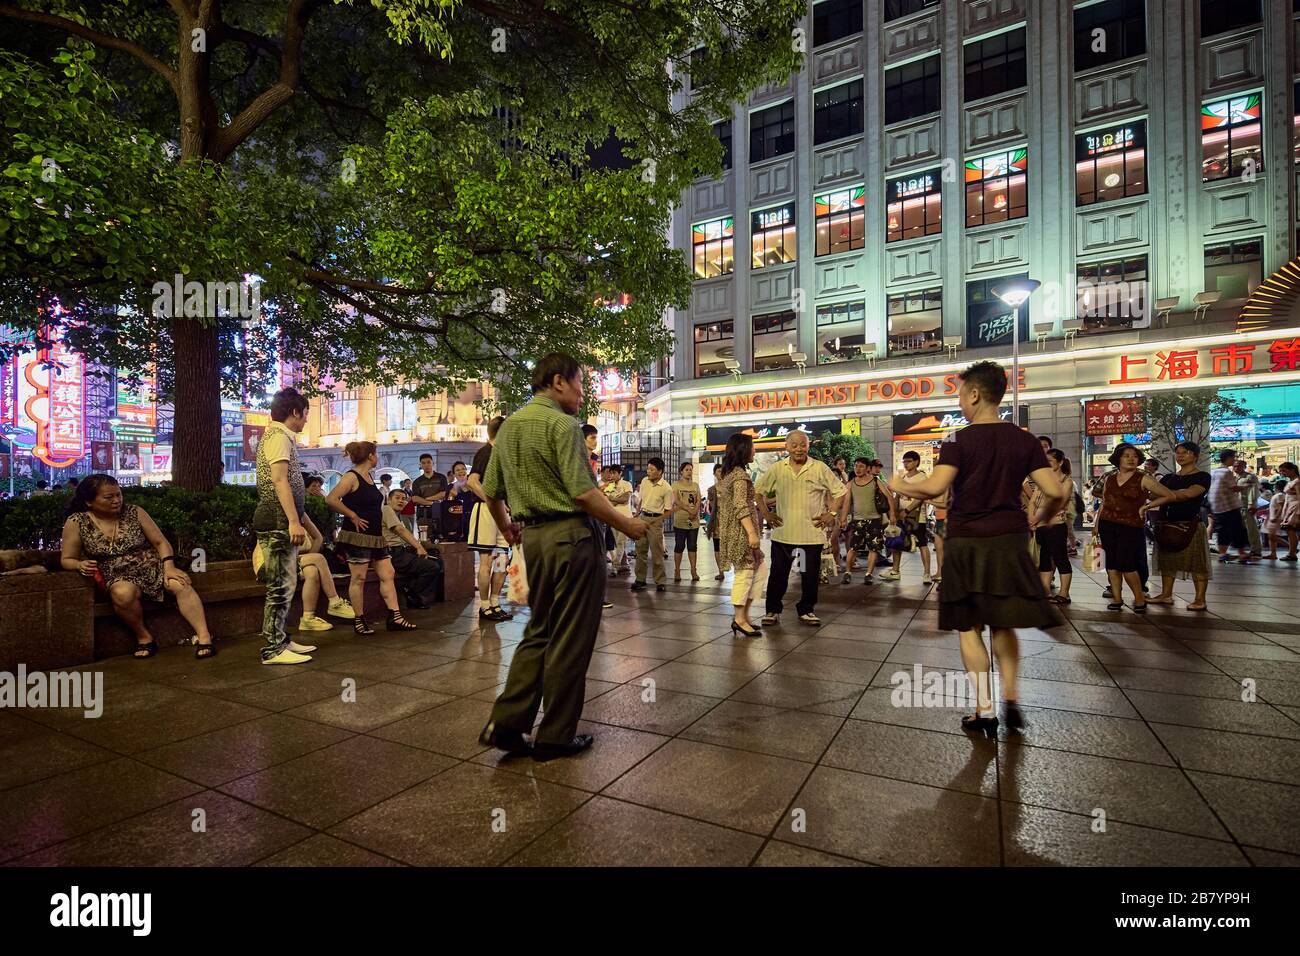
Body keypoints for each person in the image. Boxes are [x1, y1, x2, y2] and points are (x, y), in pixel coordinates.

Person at [476, 353, 647, 761]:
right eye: (579, 384)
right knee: (571, 637)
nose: (582, 393)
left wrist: (507, 529)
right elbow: (582, 492)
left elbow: (491, 491)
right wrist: (628, 526)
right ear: (557, 382)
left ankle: (507, 724)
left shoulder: (511, 426)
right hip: (571, 538)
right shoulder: (562, 424)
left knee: (539, 631)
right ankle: (555, 734)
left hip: (533, 540)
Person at [887, 361, 1065, 739]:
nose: (960, 402)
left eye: (960, 394)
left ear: (973, 394)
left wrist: (898, 484)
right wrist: (1042, 518)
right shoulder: (1025, 440)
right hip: (1009, 539)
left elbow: (935, 488)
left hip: (967, 540)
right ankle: (1012, 697)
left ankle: (984, 709)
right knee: (1003, 621)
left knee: (969, 626)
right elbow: (1053, 491)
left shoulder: (958, 440)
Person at [60, 475, 218, 659]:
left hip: (151, 566)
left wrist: (169, 567)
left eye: (118, 495)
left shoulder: (135, 512)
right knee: (123, 594)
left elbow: (161, 542)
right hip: (117, 575)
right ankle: (144, 637)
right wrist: (80, 564)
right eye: (108, 497)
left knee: (180, 584)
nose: (116, 500)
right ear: (89, 501)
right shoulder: (77, 522)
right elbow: (67, 559)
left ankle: (205, 636)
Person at [250, 387, 321, 665]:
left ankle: (281, 639)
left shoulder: (280, 437)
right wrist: (294, 520)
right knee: (281, 585)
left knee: (286, 583)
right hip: (277, 520)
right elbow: (279, 481)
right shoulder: (279, 437)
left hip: (280, 518)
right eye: (305, 414)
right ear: (295, 412)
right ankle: (273, 649)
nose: (306, 420)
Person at [325, 441, 419, 634]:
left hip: (375, 536)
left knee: (388, 573)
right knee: (358, 578)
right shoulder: (351, 477)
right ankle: (359, 619)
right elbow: (331, 499)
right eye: (376, 454)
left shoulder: (368, 476)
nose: (377, 457)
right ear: (370, 456)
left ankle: (395, 616)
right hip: (357, 536)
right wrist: (352, 515)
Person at [756, 430, 845, 626]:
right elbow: (758, 492)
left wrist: (831, 514)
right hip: (783, 535)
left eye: (803, 444)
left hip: (810, 536)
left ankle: (806, 609)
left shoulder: (819, 468)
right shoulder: (777, 468)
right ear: (786, 447)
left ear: (808, 446)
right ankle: (772, 610)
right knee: (779, 574)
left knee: (809, 575)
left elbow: (840, 492)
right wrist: (767, 514)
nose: (799, 449)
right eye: (794, 445)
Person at [1093, 443, 1176, 612]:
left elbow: (1169, 495)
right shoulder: (1109, 478)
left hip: (1130, 526)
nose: (1131, 459)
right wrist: (1096, 525)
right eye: (1126, 456)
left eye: (1134, 456)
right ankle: (1117, 599)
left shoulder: (1142, 477)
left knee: (1127, 565)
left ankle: (1139, 598)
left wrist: (1146, 506)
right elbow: (1105, 503)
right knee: (1112, 565)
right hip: (1107, 524)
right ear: (1118, 459)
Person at [1149, 441, 1213, 611]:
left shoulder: (1202, 477)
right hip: (1166, 523)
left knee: (1197, 562)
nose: (1180, 456)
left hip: (1190, 525)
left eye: (1185, 452)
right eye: (1178, 453)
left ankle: (1200, 599)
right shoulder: (1170, 478)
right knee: (1166, 561)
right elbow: (1153, 494)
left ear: (1195, 455)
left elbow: (1189, 494)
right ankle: (1166, 594)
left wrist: (1164, 494)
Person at [715, 433, 766, 636]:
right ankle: (738, 619)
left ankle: (744, 616)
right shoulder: (739, 476)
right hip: (741, 533)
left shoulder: (733, 474)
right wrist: (752, 533)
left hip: (740, 531)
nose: (755, 451)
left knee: (760, 571)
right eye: (752, 447)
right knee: (744, 574)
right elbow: (740, 506)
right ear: (744, 450)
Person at [466, 416, 513, 621]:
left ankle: (495, 602)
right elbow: (472, 481)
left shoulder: (501, 453)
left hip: (501, 511)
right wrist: (493, 501)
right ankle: (485, 606)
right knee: (486, 560)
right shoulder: (485, 452)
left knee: (502, 558)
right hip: (486, 511)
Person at [380, 489, 443, 608]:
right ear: (389, 500)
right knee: (432, 566)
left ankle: (416, 593)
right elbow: (400, 530)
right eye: (397, 498)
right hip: (393, 554)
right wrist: (418, 547)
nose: (401, 501)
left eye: (403, 499)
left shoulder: (396, 515)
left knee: (436, 560)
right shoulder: (387, 509)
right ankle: (412, 594)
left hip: (400, 551)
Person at [840, 457, 896, 585]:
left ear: (868, 468)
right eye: (855, 466)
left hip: (875, 520)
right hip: (858, 520)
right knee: (853, 548)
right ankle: (848, 572)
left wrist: (892, 514)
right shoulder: (851, 483)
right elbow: (847, 503)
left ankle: (869, 574)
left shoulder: (876, 481)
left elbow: (889, 497)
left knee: (873, 548)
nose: (857, 469)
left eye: (861, 466)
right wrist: (843, 519)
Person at [1031, 449, 1074, 604]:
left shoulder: (1066, 481)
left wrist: (1036, 518)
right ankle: (1045, 591)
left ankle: (1064, 593)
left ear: (1060, 462)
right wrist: (1031, 518)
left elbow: (1059, 504)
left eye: (1050, 461)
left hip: (1056, 525)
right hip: (1040, 525)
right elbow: (1032, 500)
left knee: (1060, 558)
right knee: (1044, 559)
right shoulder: (1044, 481)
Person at [890, 450, 934, 583]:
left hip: (916, 516)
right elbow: (897, 495)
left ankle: (927, 573)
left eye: (908, 461)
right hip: (902, 516)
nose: (906, 464)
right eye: (904, 461)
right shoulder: (903, 477)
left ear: (916, 462)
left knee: (922, 543)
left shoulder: (921, 477)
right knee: (897, 542)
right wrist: (896, 511)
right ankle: (895, 570)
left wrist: (907, 510)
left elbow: (920, 497)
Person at [632, 457, 673, 593]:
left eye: (652, 469)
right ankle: (640, 579)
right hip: (643, 517)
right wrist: (637, 515)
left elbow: (667, 510)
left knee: (657, 553)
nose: (648, 472)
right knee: (640, 550)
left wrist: (658, 521)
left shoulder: (666, 488)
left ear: (660, 471)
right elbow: (642, 500)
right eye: (648, 469)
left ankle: (660, 581)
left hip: (656, 521)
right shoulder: (644, 481)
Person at [1209, 450, 1253, 565]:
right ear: (1228, 458)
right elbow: (1234, 488)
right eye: (1233, 458)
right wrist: (1247, 485)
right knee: (1237, 530)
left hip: (1216, 506)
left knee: (1222, 530)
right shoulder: (1226, 472)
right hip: (1229, 506)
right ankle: (1242, 554)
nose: (1234, 460)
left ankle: (1222, 554)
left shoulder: (1214, 471)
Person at [671, 462, 702, 582]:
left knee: (693, 546)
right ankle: (677, 570)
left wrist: (695, 511)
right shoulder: (676, 485)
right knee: (679, 545)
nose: (689, 471)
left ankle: (693, 571)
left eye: (690, 469)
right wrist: (689, 509)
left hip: (694, 520)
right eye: (686, 469)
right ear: (681, 472)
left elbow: (698, 499)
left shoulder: (695, 485)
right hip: (680, 519)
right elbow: (676, 500)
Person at [601, 464, 633, 576]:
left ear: (620, 473)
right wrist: (614, 500)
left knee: (620, 542)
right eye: (611, 473)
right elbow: (607, 501)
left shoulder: (626, 484)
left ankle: (615, 567)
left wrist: (613, 499)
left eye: (614, 473)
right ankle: (623, 565)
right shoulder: (610, 486)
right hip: (614, 518)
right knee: (618, 543)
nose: (612, 475)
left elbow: (625, 498)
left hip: (625, 518)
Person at [409, 454, 447, 540]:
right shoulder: (417, 481)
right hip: (423, 513)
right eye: (423, 463)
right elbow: (415, 498)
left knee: (442, 537)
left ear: (433, 463)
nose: (426, 465)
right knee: (425, 538)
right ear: (421, 465)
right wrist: (432, 502)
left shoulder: (441, 477)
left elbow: (443, 493)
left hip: (440, 511)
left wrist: (426, 499)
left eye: (428, 462)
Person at [1232, 458, 1263, 557]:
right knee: (1239, 529)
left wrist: (1252, 505)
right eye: (1234, 466)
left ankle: (1256, 550)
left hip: (1246, 506)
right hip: (1236, 507)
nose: (1236, 468)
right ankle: (1242, 549)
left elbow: (1253, 492)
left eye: (1239, 466)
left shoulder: (1250, 477)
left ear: (1244, 467)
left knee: (1251, 529)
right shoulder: (1234, 477)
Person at [440, 462, 469, 542]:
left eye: (463, 469)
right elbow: (447, 506)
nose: (461, 471)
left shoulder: (472, 483)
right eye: (457, 470)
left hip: (472, 518)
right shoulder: (451, 487)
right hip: (457, 522)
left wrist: (458, 495)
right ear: (454, 474)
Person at [706, 463, 725, 581]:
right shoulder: (712, 490)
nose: (721, 473)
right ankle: (721, 571)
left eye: (723, 471)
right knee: (717, 546)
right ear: (714, 473)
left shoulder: (731, 487)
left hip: (730, 520)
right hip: (717, 521)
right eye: (718, 471)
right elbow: (713, 507)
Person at [1279, 461, 1300, 561]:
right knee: (1290, 531)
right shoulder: (1291, 481)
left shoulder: (1297, 481)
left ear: (1292, 470)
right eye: (1281, 471)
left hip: (1295, 508)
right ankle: (1292, 553)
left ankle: (1292, 553)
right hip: (1289, 507)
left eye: (1284, 470)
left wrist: (1297, 512)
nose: (1282, 473)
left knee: (1291, 530)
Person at [1263, 478, 1288, 560]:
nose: (1273, 488)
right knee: (1271, 537)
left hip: (1275, 518)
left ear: (1277, 487)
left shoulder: (1280, 495)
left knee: (1272, 536)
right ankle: (1273, 554)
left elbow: (1281, 507)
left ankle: (1291, 547)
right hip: (1273, 516)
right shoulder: (1279, 495)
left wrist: (1275, 517)